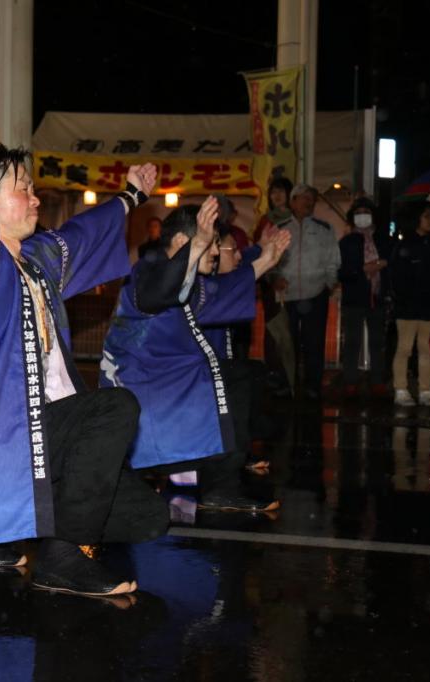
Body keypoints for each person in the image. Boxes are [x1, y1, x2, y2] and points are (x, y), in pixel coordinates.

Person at [0, 71, 167, 597]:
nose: (36, 199)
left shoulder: (38, 259)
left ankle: (17, 521)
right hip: (6, 433)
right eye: (23, 190)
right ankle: (63, 555)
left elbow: (85, 235)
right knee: (116, 408)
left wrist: (131, 196)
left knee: (149, 517)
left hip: (54, 436)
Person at [99, 200, 290, 511]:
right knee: (232, 381)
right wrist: (199, 244)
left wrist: (265, 260)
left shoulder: (190, 283)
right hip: (140, 388)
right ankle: (218, 484)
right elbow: (158, 293)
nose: (214, 252)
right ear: (180, 242)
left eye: (215, 243)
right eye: (208, 242)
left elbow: (225, 290)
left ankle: (211, 475)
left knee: (242, 375)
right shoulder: (146, 270)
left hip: (167, 383)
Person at [269, 183, 340, 399]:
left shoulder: (324, 228)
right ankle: (286, 384)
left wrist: (328, 284)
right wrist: (273, 278)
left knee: (314, 343)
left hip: (316, 293)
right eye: (303, 198)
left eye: (312, 199)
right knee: (286, 342)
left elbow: (333, 261)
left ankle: (312, 387)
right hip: (286, 295)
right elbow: (268, 259)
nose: (308, 202)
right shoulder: (279, 228)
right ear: (292, 202)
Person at [389, 201, 430, 406]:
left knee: (427, 349)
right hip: (408, 305)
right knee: (405, 348)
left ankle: (425, 389)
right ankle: (400, 388)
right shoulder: (404, 244)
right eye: (426, 216)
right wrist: (402, 297)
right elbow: (397, 276)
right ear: (416, 218)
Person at [337, 197, 391, 396]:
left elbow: (390, 264)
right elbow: (341, 271)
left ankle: (378, 380)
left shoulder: (383, 240)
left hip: (377, 298)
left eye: (365, 212)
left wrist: (382, 266)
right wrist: (362, 270)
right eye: (358, 213)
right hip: (354, 298)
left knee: (377, 341)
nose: (362, 216)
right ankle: (350, 381)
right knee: (352, 342)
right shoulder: (347, 242)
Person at [253, 176, 296, 397]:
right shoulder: (266, 221)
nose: (277, 196)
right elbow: (259, 251)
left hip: (297, 286)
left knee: (293, 332)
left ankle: (293, 379)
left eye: (281, 191)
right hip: (272, 283)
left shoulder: (297, 219)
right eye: (273, 192)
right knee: (274, 331)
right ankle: (275, 375)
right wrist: (272, 277)